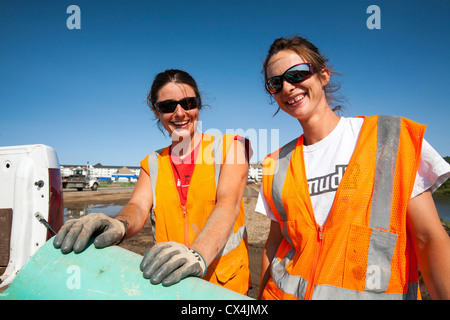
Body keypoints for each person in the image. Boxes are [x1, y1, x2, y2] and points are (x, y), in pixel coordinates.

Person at [255, 36, 450, 300]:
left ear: (323, 75)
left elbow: (429, 239)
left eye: (297, 74)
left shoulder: (389, 139)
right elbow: (274, 244)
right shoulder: (276, 164)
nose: (288, 87)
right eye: (275, 83)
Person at [54, 69, 252, 295]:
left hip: (223, 286)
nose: (179, 113)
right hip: (170, 284)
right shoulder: (153, 162)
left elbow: (228, 203)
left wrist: (196, 255)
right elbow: (137, 206)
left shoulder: (230, 148)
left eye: (188, 103)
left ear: (199, 105)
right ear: (156, 111)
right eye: (167, 106)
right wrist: (119, 224)